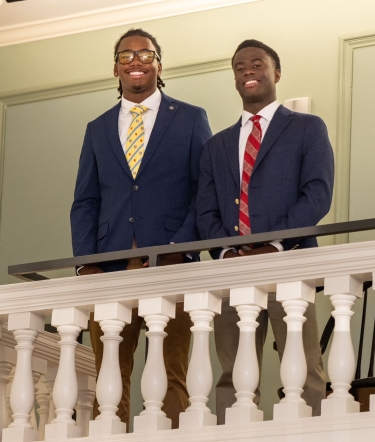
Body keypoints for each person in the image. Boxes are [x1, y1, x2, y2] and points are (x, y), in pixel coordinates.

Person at [70, 28, 212, 430]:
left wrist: (178, 248)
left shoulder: (189, 118)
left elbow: (204, 191)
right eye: (126, 55)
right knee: (110, 375)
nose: (136, 61)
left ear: (159, 65)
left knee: (172, 371)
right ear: (115, 66)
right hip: (109, 268)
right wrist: (87, 265)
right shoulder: (97, 128)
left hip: (172, 263)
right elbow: (85, 200)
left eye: (145, 54)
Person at [196, 39, 334, 424]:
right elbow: (205, 210)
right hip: (231, 269)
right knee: (232, 372)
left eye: (257, 63)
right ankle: (232, 431)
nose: (247, 71)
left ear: (276, 73)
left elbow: (317, 195)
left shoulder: (307, 128)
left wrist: (273, 244)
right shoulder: (216, 146)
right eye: (239, 67)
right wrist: (225, 252)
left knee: (304, 365)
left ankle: (310, 431)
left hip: (287, 262)